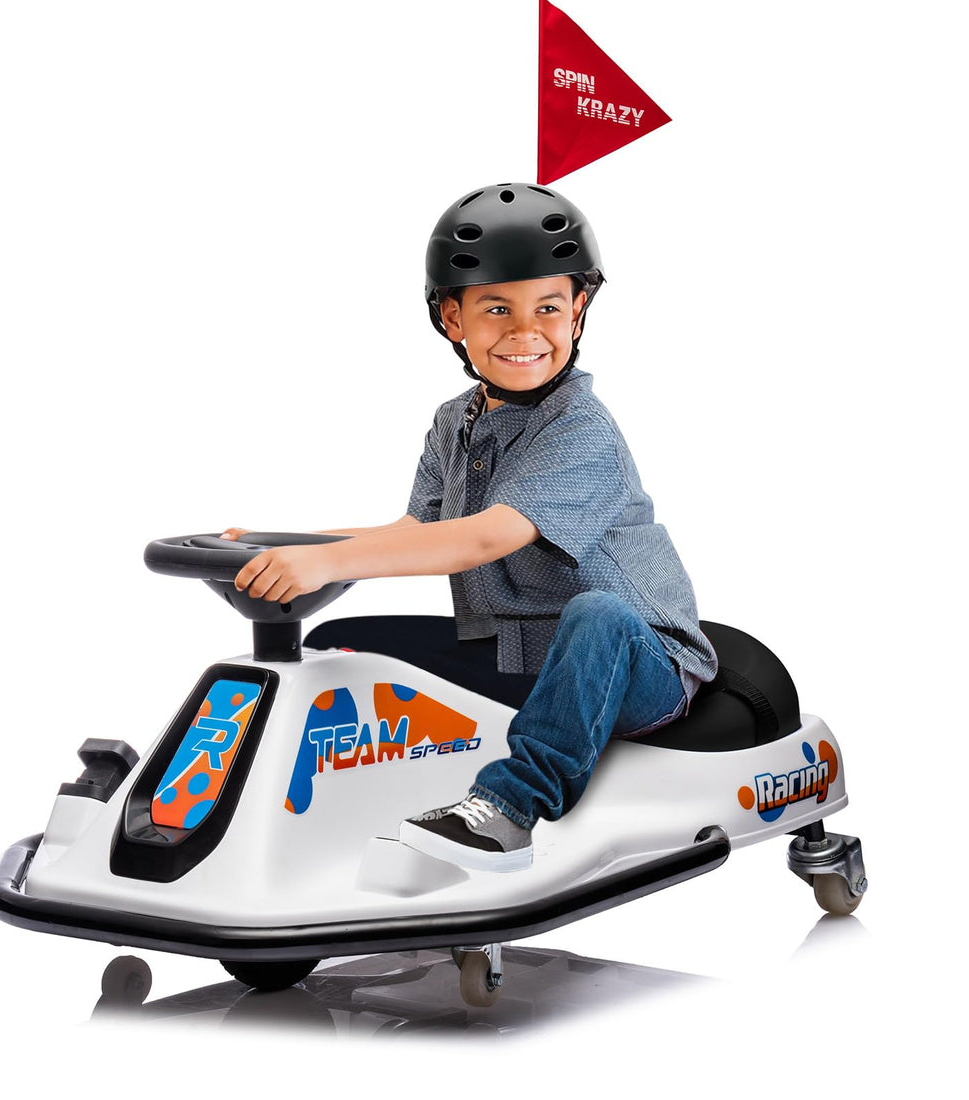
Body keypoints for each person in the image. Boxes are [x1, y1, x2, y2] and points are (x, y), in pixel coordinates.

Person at [222, 182, 717, 872]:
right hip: (519, 649)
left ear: (578, 311)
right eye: (497, 309)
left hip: (638, 660)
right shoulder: (455, 420)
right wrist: (287, 546)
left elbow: (487, 537)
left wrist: (326, 565)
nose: (525, 331)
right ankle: (292, 806)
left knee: (597, 614)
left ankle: (509, 809)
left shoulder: (581, 430)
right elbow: (410, 530)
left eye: (547, 307)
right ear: (453, 318)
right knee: (343, 643)